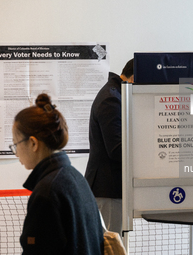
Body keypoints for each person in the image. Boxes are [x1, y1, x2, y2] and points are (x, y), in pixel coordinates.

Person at [10, 94, 104, 255]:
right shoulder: (76, 178)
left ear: (33, 143)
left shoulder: (47, 192)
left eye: (16, 144)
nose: (16, 153)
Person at [85, 59, 134, 236]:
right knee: (110, 247)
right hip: (108, 189)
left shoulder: (114, 94)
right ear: (133, 79)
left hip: (109, 189)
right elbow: (116, 149)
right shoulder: (111, 99)